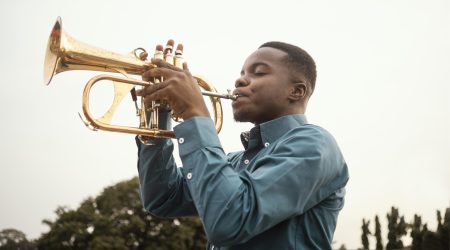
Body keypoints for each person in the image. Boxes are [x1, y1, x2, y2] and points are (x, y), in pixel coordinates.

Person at [136, 41, 349, 250]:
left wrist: (194, 113)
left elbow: (230, 219)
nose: (240, 81)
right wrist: (158, 112)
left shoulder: (314, 143)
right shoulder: (232, 161)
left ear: (296, 91)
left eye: (258, 72)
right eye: (242, 73)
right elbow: (162, 197)